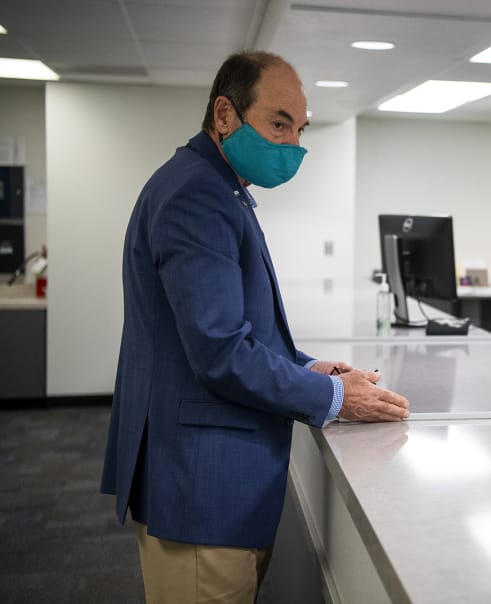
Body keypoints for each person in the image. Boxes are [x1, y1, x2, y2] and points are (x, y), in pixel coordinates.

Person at [101, 51, 410, 603]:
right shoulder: (197, 194)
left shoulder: (221, 187)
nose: (293, 145)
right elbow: (220, 351)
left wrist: (309, 366)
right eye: (278, 124)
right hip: (198, 489)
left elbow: (234, 328)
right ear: (224, 115)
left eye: (300, 129)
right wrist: (335, 396)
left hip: (214, 484)